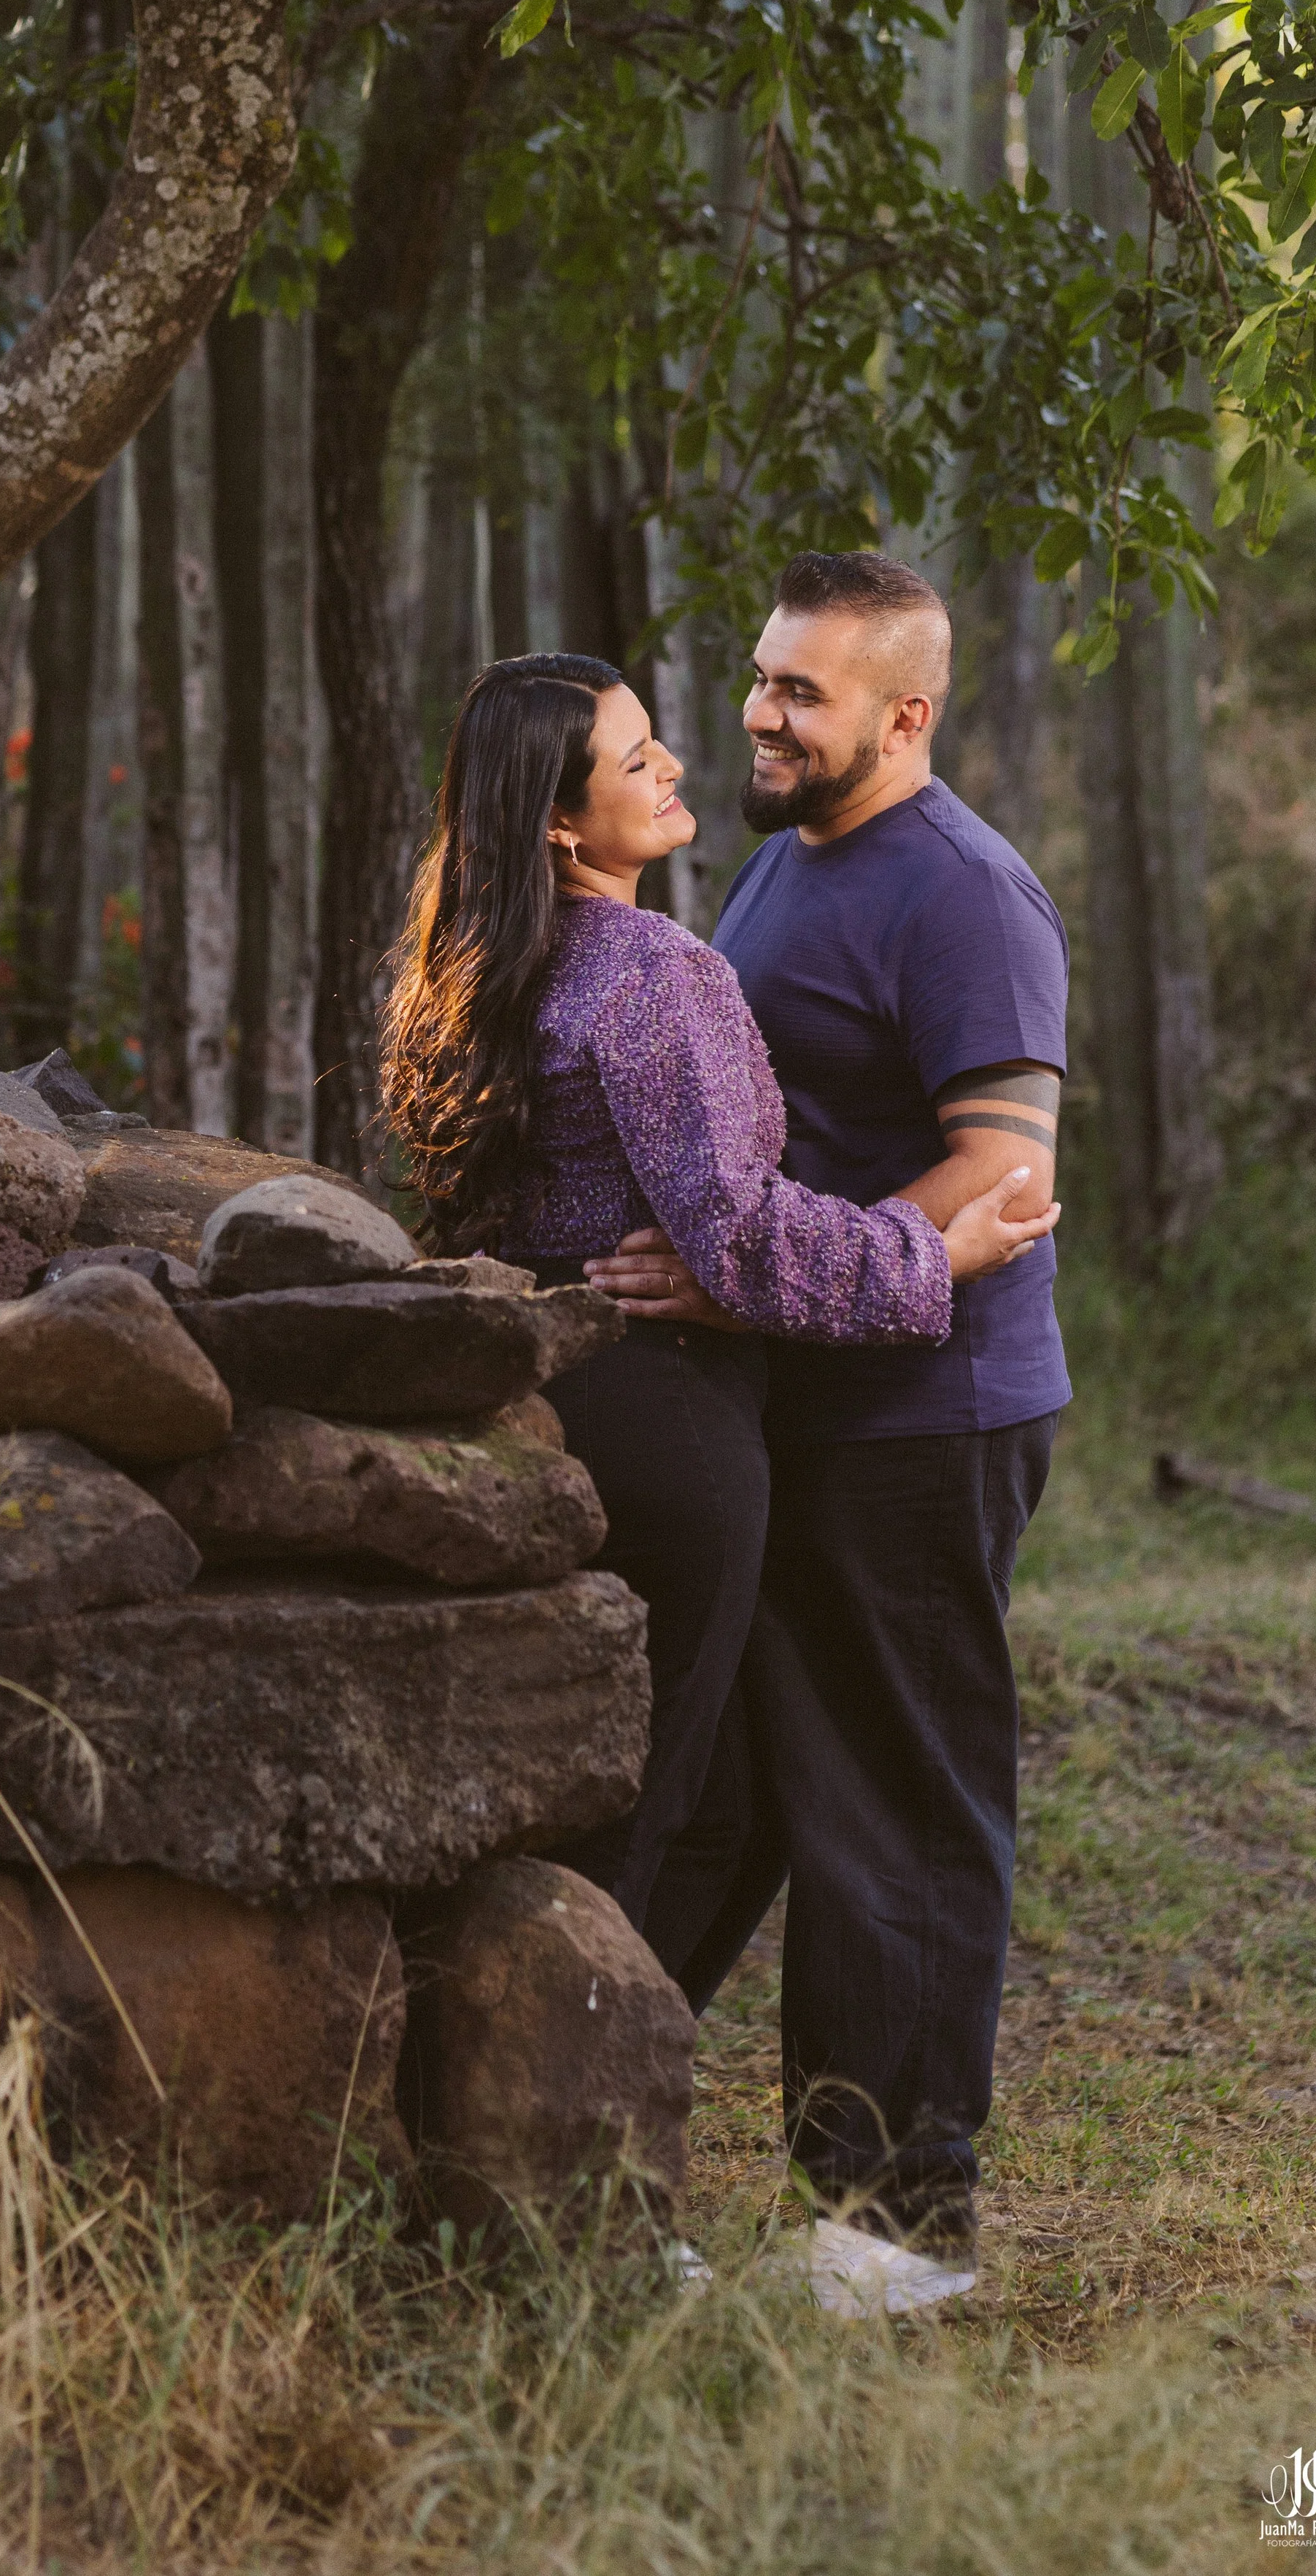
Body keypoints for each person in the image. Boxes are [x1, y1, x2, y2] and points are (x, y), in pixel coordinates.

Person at [379, 649, 1057, 1996]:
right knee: (645, 1804)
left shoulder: (476, 965)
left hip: (555, 1404)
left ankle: (595, 2063)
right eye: (637, 760)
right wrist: (934, 1250)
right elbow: (737, 1237)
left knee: (722, 1797)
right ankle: (549, 2089)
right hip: (673, 1425)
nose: (676, 764)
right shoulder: (653, 973)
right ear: (561, 821)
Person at [587, 552, 1071, 2263]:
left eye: (800, 691)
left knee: (894, 1810)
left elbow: (1003, 1172)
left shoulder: (965, 897)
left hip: (925, 1415)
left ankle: (894, 2229)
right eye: (760, 676)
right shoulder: (782, 864)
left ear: (904, 714)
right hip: (783, 1406)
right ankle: (567, 2144)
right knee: (717, 1792)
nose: (757, 713)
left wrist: (743, 1284)